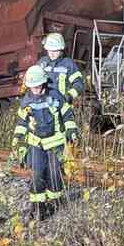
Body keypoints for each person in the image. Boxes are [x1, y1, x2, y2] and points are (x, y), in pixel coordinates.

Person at [11, 65, 77, 220]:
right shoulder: (26, 101)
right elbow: (22, 123)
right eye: (31, 87)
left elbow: (67, 114)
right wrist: (17, 140)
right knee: (37, 174)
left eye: (37, 86)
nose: (34, 89)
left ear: (43, 83)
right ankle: (38, 208)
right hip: (36, 144)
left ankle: (55, 204)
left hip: (55, 143)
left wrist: (71, 131)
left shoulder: (55, 96)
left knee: (54, 175)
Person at [39, 32, 85, 104]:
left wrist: (70, 96)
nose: (52, 53)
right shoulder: (42, 62)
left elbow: (79, 84)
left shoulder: (68, 64)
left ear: (61, 50)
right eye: (49, 50)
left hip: (62, 105)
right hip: (44, 104)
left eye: (55, 50)